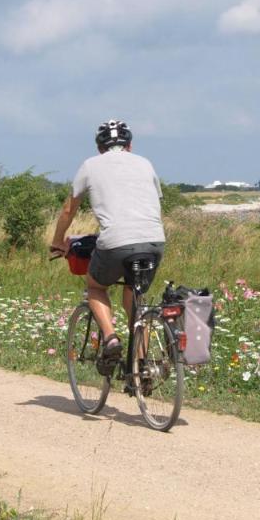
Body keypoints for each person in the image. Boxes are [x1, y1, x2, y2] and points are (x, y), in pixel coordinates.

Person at [50, 119, 165, 367]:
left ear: (99, 147)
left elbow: (68, 210)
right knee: (135, 299)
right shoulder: (145, 164)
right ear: (130, 145)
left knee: (95, 286)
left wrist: (58, 240)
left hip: (115, 242)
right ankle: (143, 367)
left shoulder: (90, 166)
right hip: (154, 240)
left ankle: (111, 339)